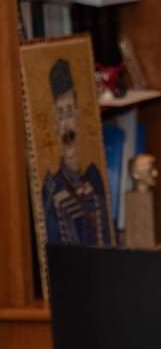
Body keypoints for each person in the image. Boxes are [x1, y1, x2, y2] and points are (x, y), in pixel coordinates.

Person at [42, 59, 113, 246]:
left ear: (79, 117)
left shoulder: (94, 178)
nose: (66, 125)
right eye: (60, 115)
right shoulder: (51, 190)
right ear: (55, 125)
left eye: (69, 112)